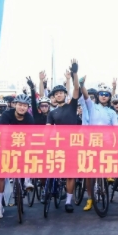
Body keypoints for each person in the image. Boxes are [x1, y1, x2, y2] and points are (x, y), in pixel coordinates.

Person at [46, 59, 81, 213]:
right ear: (53, 97)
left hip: (73, 144)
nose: (59, 95)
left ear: (65, 94)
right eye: (56, 93)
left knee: (70, 174)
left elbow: (77, 88)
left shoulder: (71, 105)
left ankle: (68, 201)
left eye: (61, 92)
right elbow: (47, 130)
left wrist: (74, 73)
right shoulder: (52, 113)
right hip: (58, 145)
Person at [79, 82, 118, 211]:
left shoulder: (112, 112)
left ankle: (109, 173)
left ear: (109, 97)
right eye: (101, 94)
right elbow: (85, 96)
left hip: (106, 143)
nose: (104, 96)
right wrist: (82, 85)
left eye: (106, 94)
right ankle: (90, 199)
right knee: (89, 174)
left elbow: (117, 128)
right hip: (91, 142)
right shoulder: (92, 107)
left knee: (110, 154)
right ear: (98, 95)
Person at [0, 93, 35, 218]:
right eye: (20, 105)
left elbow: (30, 137)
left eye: (25, 106)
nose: (22, 107)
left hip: (21, 146)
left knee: (30, 152)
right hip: (5, 145)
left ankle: (27, 180)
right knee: (0, 176)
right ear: (15, 105)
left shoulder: (29, 118)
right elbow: (2, 133)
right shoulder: (6, 115)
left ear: (27, 107)